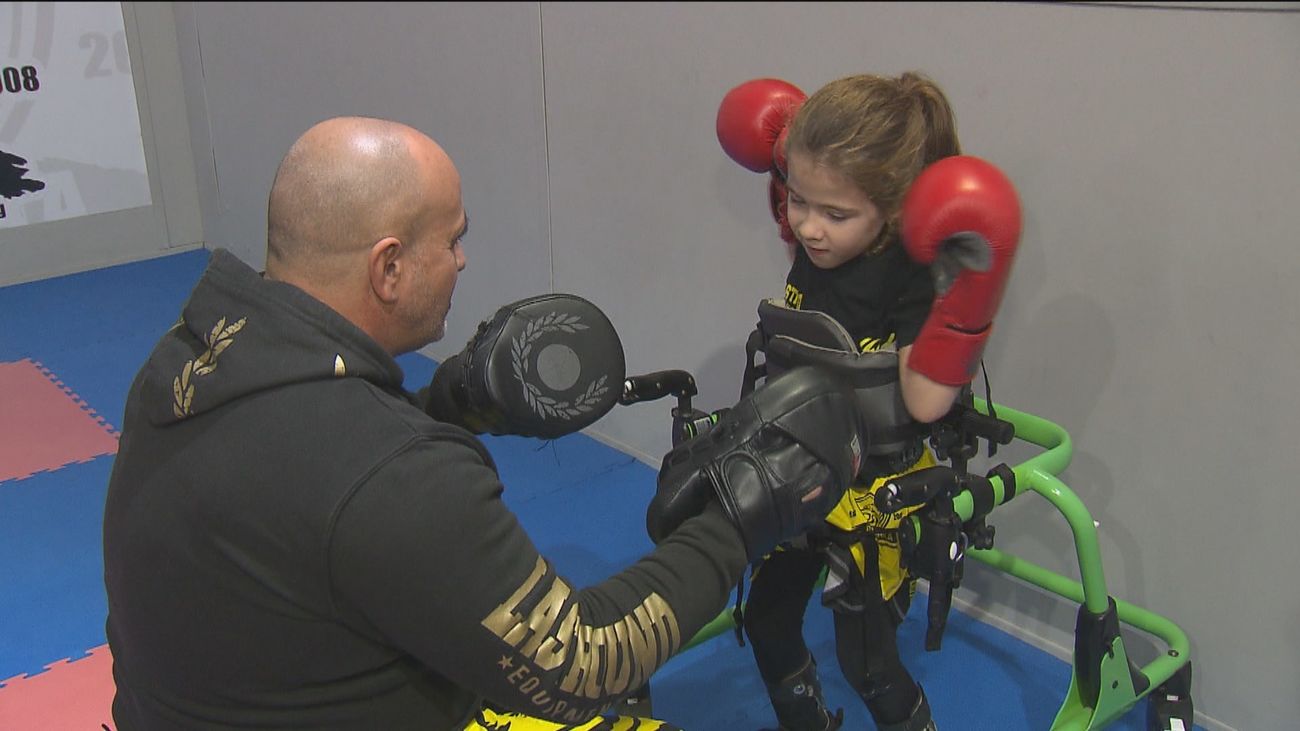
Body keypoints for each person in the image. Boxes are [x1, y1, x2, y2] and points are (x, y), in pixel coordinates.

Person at [101, 116, 868, 730]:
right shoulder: (394, 473)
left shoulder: (189, 355)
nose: (463, 261)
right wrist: (737, 520)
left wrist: (444, 404)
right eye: (453, 239)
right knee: (617, 706)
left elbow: (311, 485)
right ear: (388, 266)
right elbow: (588, 662)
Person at [716, 73, 1021, 731]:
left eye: (835, 213)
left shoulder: (911, 276)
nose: (808, 228)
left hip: (871, 492)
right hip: (795, 469)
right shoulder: (815, 245)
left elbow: (924, 401)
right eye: (798, 201)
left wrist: (967, 297)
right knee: (767, 621)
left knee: (871, 668)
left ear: (895, 208)